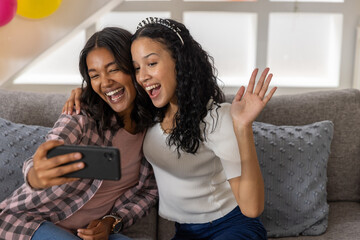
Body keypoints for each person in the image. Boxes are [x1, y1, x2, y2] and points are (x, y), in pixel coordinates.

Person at [64, 17, 277, 240]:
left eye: (152, 63)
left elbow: (252, 208)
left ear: (180, 61)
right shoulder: (147, 112)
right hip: (184, 232)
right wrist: (84, 94)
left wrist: (243, 127)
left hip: (230, 227)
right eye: (136, 68)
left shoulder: (216, 118)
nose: (143, 76)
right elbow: (112, 89)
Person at [0, 27, 158, 240]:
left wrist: (111, 222)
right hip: (31, 221)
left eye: (113, 69)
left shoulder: (155, 131)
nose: (105, 83)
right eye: (95, 76)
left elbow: (148, 192)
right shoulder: (82, 114)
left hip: (85, 233)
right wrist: (36, 174)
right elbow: (54, 143)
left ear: (134, 67)